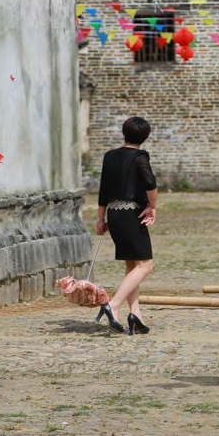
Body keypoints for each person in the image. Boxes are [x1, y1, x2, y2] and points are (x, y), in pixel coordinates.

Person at [94, 116, 158, 335]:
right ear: (145, 137)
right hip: (132, 213)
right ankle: (113, 305)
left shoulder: (110, 156)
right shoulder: (140, 156)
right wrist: (153, 207)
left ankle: (136, 315)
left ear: (124, 132)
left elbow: (103, 189)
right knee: (146, 265)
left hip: (114, 215)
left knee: (132, 265)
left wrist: (101, 219)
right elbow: (150, 183)